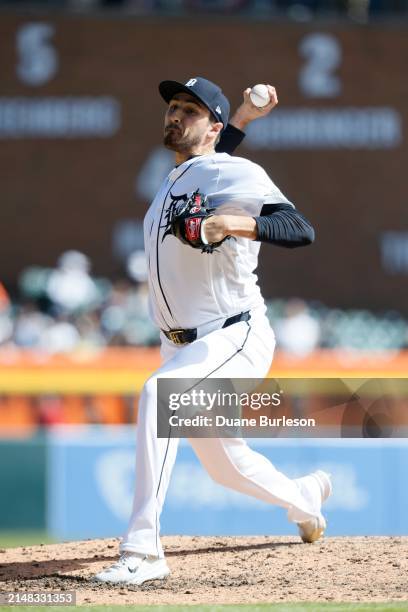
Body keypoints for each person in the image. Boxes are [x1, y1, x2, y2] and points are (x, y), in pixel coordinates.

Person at [95, 77, 332, 586]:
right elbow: (211, 156)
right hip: (181, 344)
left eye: (189, 109)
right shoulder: (181, 173)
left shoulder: (235, 171)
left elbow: (299, 228)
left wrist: (234, 224)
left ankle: (143, 549)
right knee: (227, 466)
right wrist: (241, 118)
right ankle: (305, 497)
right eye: (173, 106)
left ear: (212, 125)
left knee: (161, 395)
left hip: (231, 336)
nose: (174, 114)